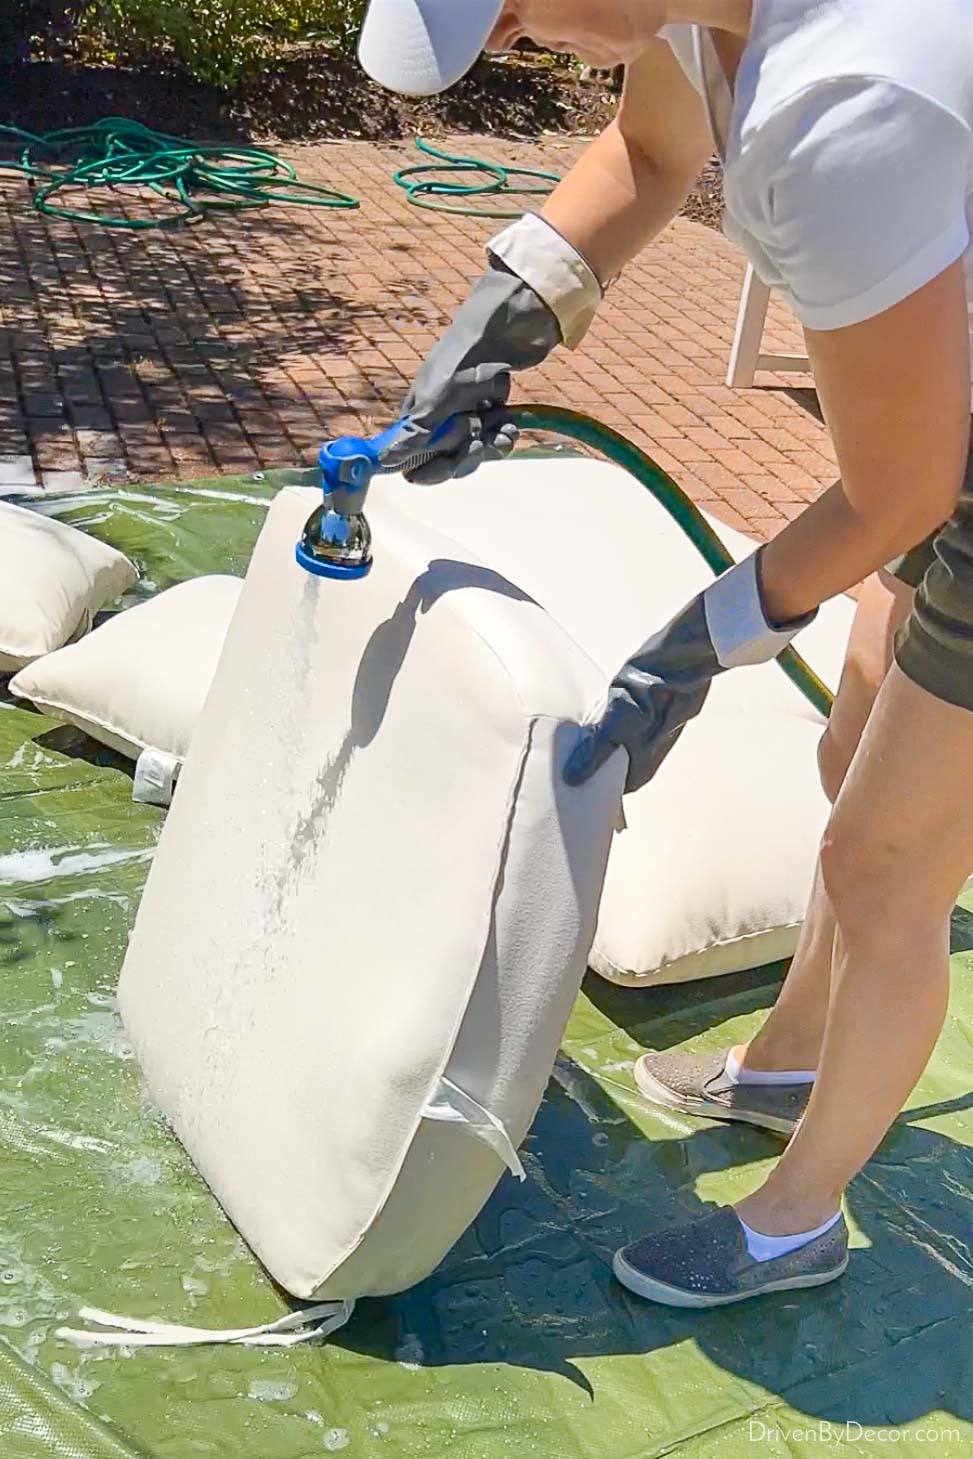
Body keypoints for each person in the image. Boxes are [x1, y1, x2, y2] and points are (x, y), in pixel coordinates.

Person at [356, 0, 973, 1308]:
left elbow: (897, 493)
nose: (516, 49)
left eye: (514, 18)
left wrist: (695, 648)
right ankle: (793, 1059)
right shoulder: (704, 16)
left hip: (946, 453)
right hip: (952, 408)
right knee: (850, 739)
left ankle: (795, 1221)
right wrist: (504, 309)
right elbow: (645, 155)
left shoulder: (843, 101)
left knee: (883, 864)